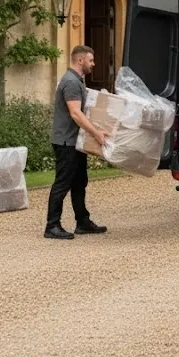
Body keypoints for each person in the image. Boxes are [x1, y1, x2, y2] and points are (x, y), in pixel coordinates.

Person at [45, 45, 109, 240]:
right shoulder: (71, 82)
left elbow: (85, 107)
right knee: (63, 183)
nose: (93, 64)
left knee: (79, 182)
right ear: (80, 60)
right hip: (66, 142)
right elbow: (75, 113)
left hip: (75, 141)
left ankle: (82, 221)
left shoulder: (77, 81)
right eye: (91, 60)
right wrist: (96, 133)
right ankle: (52, 226)